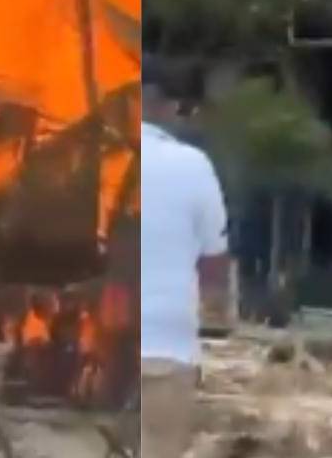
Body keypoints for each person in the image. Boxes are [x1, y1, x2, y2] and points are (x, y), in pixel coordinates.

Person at [141, 57, 230, 458]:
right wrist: (215, 308)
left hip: (101, 351)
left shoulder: (99, 158)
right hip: (167, 344)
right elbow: (214, 261)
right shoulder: (193, 165)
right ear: (166, 106)